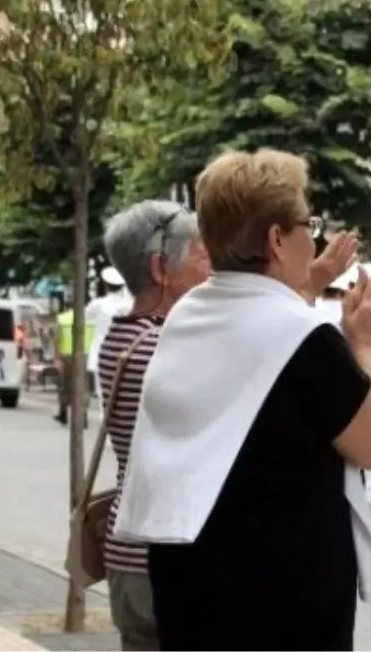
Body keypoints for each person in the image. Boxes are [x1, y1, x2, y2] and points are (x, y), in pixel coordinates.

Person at [111, 149, 371, 651]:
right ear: (277, 238)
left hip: (192, 590)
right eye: (307, 224)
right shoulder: (304, 339)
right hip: (282, 604)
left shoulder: (189, 315)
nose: (312, 238)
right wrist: (369, 345)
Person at [98, 201, 209, 652]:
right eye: (203, 256)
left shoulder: (121, 336)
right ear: (162, 268)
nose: (213, 269)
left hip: (129, 552)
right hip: (167, 561)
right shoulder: (168, 349)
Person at [87, 266, 132, 413]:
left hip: (102, 354)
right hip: (124, 354)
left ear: (106, 285)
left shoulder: (99, 304)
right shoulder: (129, 304)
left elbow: (85, 317)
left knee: (103, 397)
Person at [54, 301, 94, 426]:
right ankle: (83, 416)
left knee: (65, 386)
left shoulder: (62, 318)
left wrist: (57, 358)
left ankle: (63, 413)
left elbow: (58, 340)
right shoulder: (91, 320)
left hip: (67, 356)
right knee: (84, 386)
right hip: (86, 356)